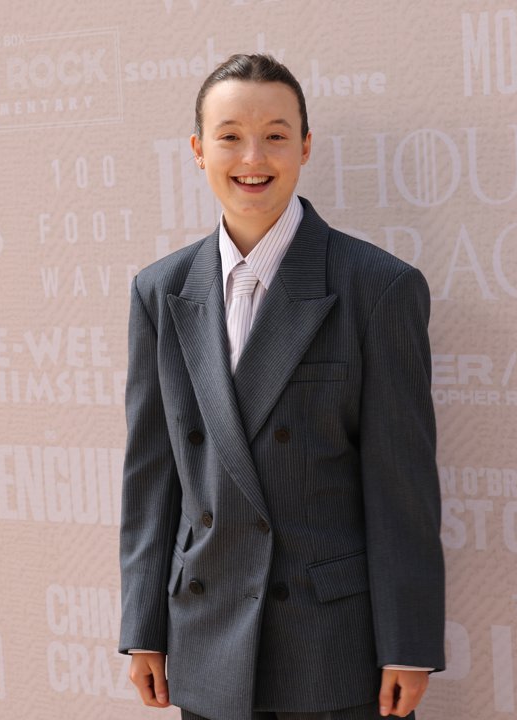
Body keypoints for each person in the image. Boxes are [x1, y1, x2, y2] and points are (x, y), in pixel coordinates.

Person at [119, 53, 445, 720]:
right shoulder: (162, 291)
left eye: (274, 134)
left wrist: (408, 645)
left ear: (304, 145)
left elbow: (401, 483)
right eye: (230, 135)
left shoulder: (378, 288)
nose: (252, 156)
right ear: (197, 151)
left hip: (333, 640)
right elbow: (152, 476)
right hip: (206, 630)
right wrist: (142, 628)